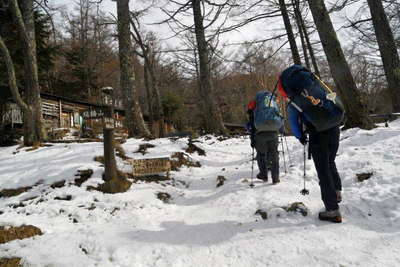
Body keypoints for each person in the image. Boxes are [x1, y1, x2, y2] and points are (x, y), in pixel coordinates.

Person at [278, 65, 343, 223]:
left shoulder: (294, 100)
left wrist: (300, 137)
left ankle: (332, 210)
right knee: (330, 161)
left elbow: (294, 123)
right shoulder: (316, 86)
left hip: (317, 132)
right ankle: (336, 192)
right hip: (334, 127)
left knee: (323, 170)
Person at [247, 91, 283, 184]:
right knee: (274, 154)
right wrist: (281, 129)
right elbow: (280, 115)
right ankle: (275, 178)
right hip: (274, 131)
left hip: (260, 132)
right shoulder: (273, 103)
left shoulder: (256, 103)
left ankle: (264, 175)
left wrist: (252, 137)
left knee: (261, 154)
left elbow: (250, 121)